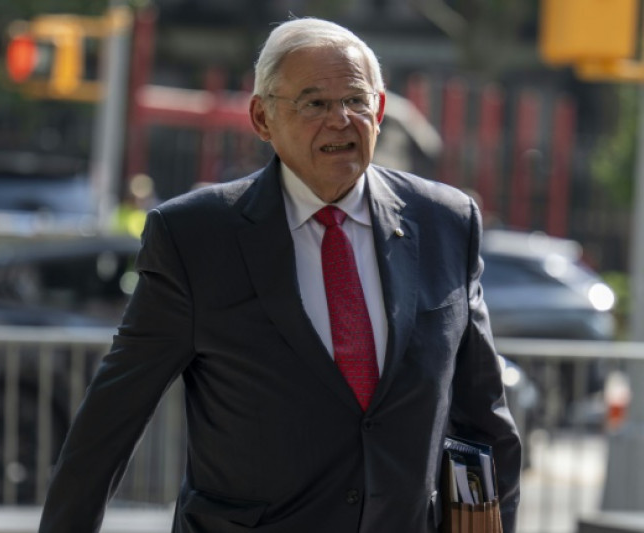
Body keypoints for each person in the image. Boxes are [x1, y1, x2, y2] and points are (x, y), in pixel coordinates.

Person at [39, 17, 521, 533]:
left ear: (379, 111)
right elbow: (110, 423)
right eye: (314, 104)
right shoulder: (196, 237)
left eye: (355, 101)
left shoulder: (445, 222)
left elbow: (485, 420)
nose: (340, 120)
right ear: (261, 118)